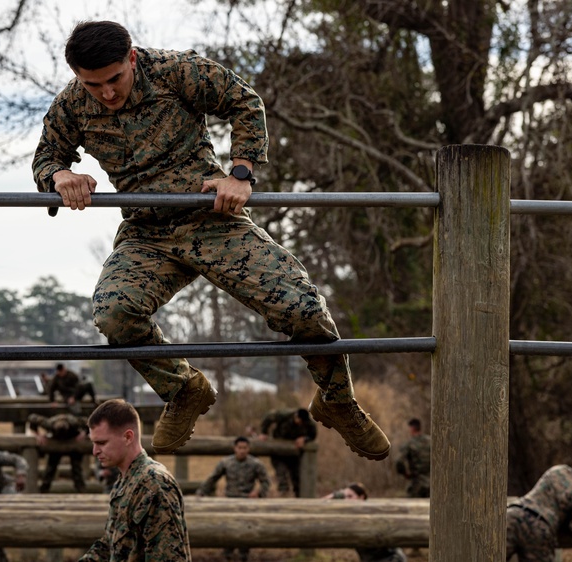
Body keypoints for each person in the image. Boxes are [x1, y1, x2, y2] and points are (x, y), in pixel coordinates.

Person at [32, 20, 389, 459]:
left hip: (211, 219)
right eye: (93, 85)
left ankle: (338, 401)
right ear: (77, 78)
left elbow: (245, 102)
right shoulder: (72, 104)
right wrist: (60, 175)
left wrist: (240, 173)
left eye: (114, 80)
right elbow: (48, 156)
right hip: (147, 233)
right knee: (114, 314)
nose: (106, 93)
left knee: (302, 308)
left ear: (132, 59)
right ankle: (184, 389)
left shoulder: (175, 71)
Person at [80, 399, 190, 561]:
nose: (95, 451)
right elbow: (110, 546)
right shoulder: (125, 481)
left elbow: (167, 557)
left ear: (128, 437)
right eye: (93, 443)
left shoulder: (154, 484)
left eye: (101, 443)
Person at [197, 436, 270, 562]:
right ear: (235, 448)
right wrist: (201, 492)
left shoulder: (255, 464)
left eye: (245, 448)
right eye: (239, 448)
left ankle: (244, 555)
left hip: (247, 501)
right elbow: (213, 478)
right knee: (228, 528)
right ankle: (227, 554)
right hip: (229, 501)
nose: (242, 451)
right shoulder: (226, 462)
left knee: (246, 529)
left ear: (249, 449)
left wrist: (258, 492)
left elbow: (266, 481)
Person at [326, 482, 407, 562]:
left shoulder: (371, 512)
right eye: (345, 497)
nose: (346, 500)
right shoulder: (351, 515)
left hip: (391, 558)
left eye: (350, 496)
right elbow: (322, 503)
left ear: (361, 497)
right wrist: (336, 495)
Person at [258, 407, 317, 497]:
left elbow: (313, 435)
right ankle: (283, 495)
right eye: (299, 421)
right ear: (296, 416)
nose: (300, 423)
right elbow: (269, 417)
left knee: (297, 478)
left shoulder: (309, 423)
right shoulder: (285, 414)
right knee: (282, 476)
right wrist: (264, 432)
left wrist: (305, 439)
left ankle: (300, 499)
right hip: (278, 448)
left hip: (293, 451)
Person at [28, 412, 88, 493]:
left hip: (72, 440)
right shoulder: (48, 423)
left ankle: (81, 490)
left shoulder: (74, 422)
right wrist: (38, 434)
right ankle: (44, 490)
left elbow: (89, 421)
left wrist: (84, 433)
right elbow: (32, 418)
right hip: (56, 441)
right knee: (50, 468)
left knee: (76, 469)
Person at [394, 418, 431, 498]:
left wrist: (405, 474)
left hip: (417, 484)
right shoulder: (431, 441)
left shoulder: (409, 444)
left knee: (414, 508)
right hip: (433, 483)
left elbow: (399, 461)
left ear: (412, 428)